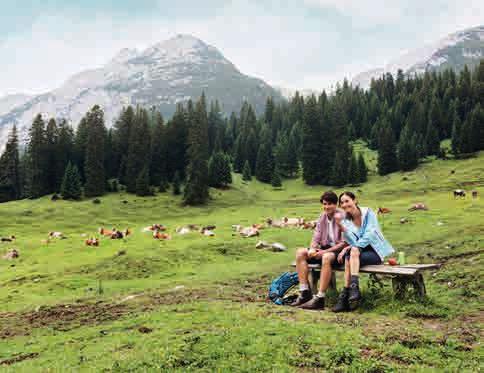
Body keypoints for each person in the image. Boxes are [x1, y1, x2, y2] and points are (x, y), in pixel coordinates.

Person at [333, 191, 394, 312]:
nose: (344, 205)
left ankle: (345, 296)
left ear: (354, 200)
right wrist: (347, 242)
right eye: (342, 203)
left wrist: (353, 247)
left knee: (352, 252)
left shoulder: (368, 213)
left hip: (375, 251)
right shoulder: (345, 221)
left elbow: (370, 234)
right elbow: (350, 240)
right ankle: (352, 290)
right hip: (358, 253)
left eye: (347, 201)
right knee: (349, 255)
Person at [290, 191, 346, 309]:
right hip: (324, 249)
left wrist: (324, 252)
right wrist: (313, 249)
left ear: (336, 204)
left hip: (339, 251)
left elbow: (344, 243)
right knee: (300, 252)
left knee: (326, 257)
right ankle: (305, 293)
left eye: (330, 204)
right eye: (324, 204)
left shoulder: (342, 216)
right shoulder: (322, 216)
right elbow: (317, 235)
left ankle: (320, 298)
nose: (326, 207)